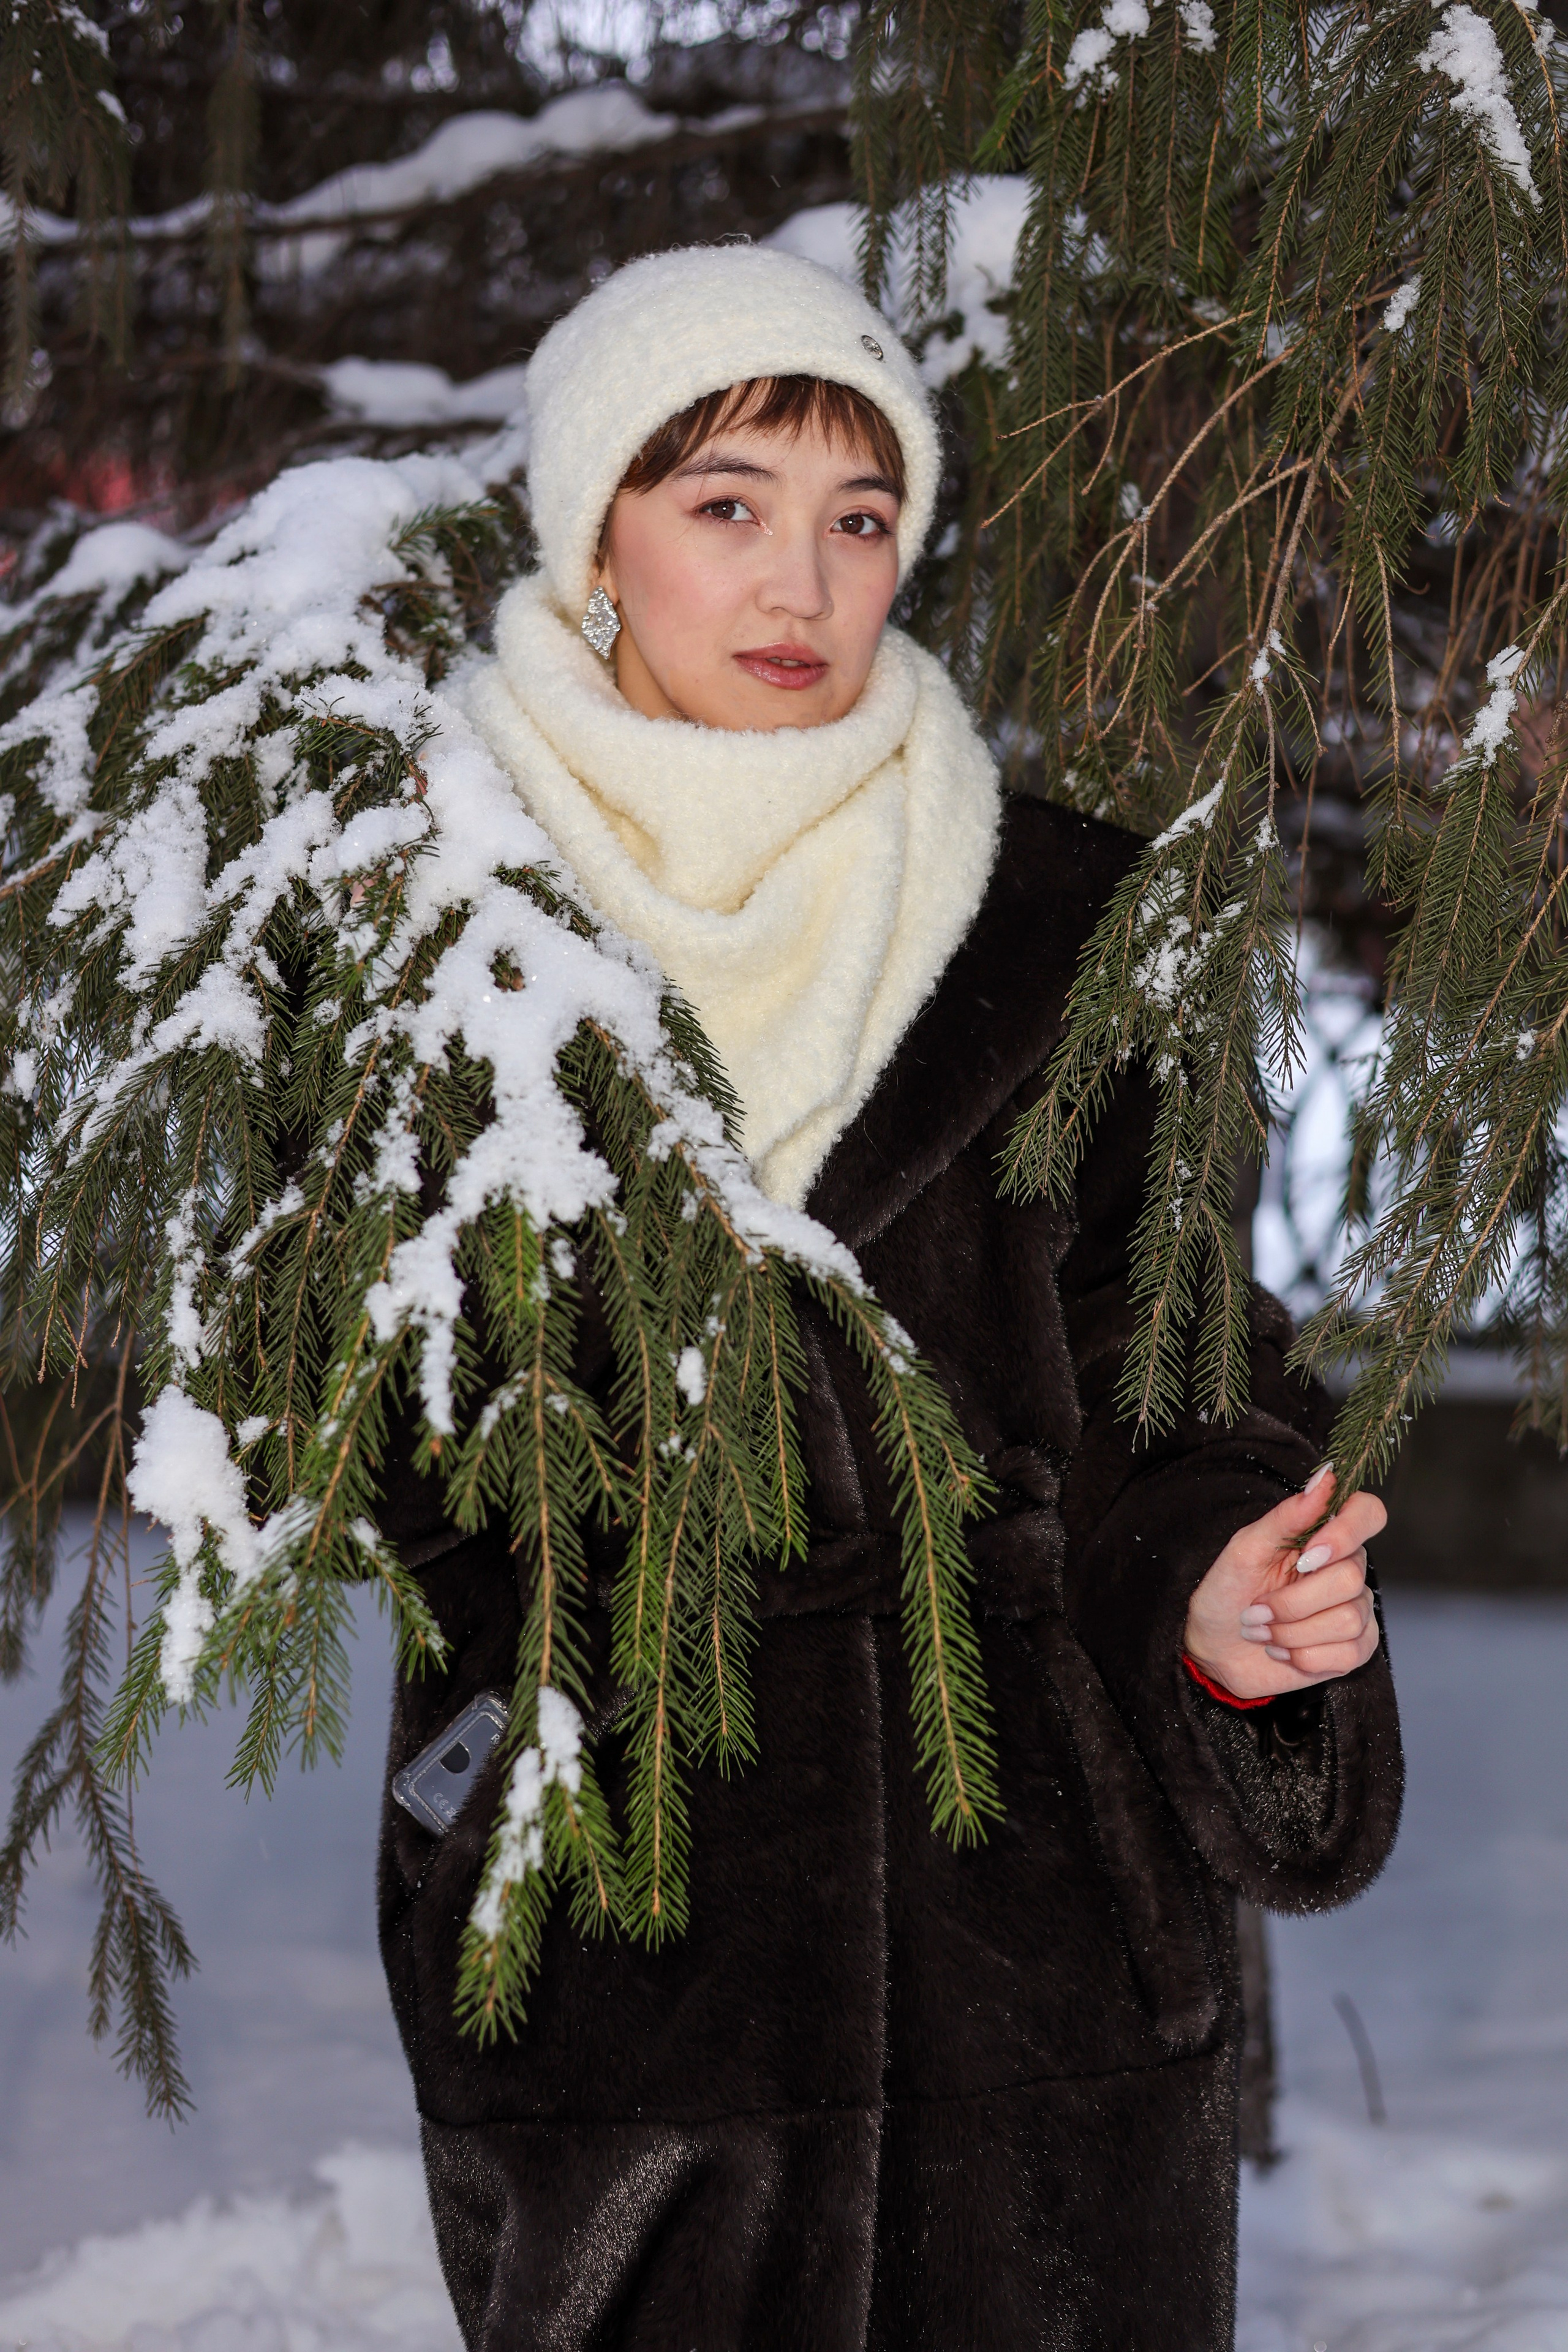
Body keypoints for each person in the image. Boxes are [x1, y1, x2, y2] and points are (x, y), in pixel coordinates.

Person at [375, 244, 1403, 2350]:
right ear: (594, 542)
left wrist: (1221, 1576)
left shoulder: (1069, 922)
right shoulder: (424, 923)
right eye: (727, 506)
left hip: (1042, 1960)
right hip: (621, 1938)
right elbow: (377, 1441)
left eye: (861, 521)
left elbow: (1171, 1355)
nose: (804, 586)